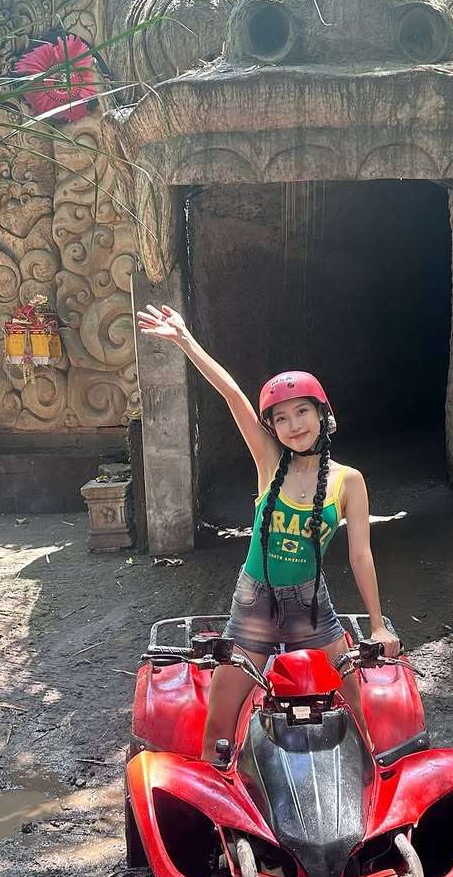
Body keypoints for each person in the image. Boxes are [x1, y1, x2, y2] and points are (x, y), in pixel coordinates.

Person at [136, 303, 401, 758]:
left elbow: (361, 555)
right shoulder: (269, 463)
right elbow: (232, 394)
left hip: (312, 609)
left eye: (301, 412)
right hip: (254, 603)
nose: (293, 425)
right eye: (281, 418)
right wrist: (184, 339)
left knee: (356, 712)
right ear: (272, 428)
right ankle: (222, 796)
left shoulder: (349, 481)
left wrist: (377, 625)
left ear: (322, 414)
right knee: (219, 725)